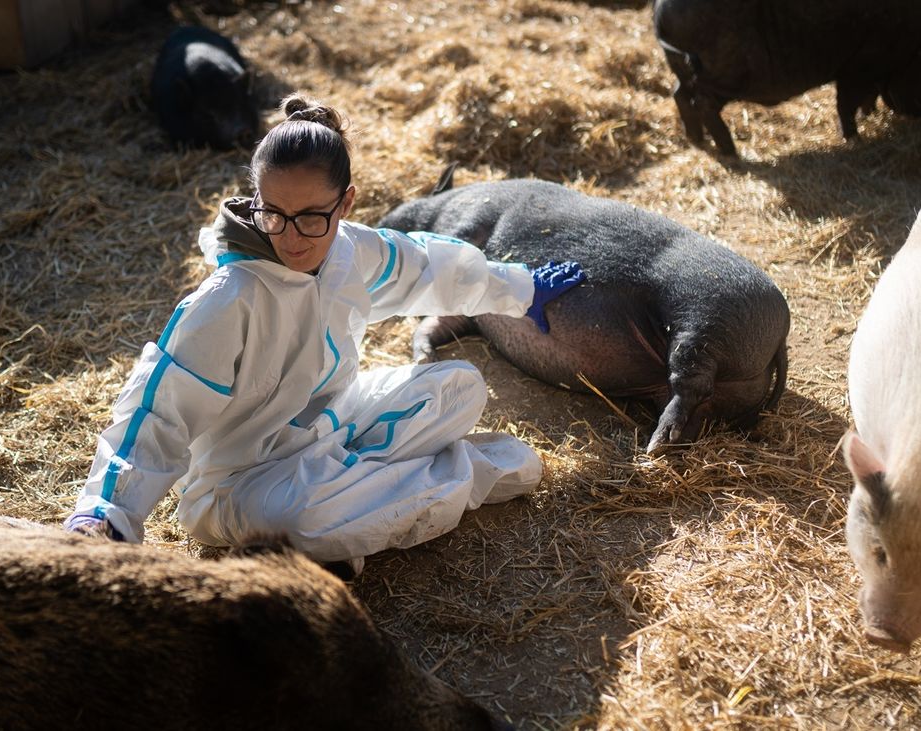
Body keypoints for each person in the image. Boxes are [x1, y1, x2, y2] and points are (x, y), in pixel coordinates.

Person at [64, 95, 584, 574]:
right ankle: (467, 473)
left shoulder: (350, 252)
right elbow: (157, 415)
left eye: (312, 217)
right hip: (242, 484)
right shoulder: (228, 299)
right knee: (309, 519)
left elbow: (427, 267)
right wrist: (104, 514)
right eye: (274, 213)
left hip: (332, 428)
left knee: (460, 387)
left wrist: (521, 289)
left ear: (346, 203)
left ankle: (358, 495)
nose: (291, 237)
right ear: (256, 199)